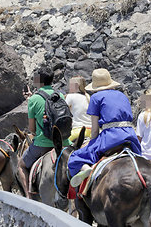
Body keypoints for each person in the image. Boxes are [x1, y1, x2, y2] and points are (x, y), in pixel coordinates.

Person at [68, 68, 141, 187]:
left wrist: (91, 145)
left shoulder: (96, 98)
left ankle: (87, 169)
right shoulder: (122, 95)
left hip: (111, 137)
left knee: (75, 157)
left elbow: (95, 130)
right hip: (130, 135)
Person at [17, 66, 70, 199]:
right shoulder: (60, 95)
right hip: (63, 143)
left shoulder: (34, 99)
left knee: (21, 165)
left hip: (43, 143)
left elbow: (32, 129)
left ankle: (29, 197)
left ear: (39, 80)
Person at [65, 76, 92, 141]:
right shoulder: (88, 97)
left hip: (77, 131)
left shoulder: (70, 96)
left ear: (77, 86)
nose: (69, 87)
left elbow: (64, 113)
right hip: (91, 131)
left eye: (71, 85)